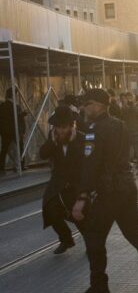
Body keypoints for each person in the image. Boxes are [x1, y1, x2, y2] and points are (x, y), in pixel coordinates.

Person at [72, 88, 138, 293]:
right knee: (136, 234)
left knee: (94, 238)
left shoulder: (95, 130)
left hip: (109, 192)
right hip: (127, 187)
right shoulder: (119, 125)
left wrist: (82, 196)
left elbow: (90, 165)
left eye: (88, 104)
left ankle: (99, 288)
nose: (85, 108)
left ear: (99, 106)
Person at [39, 106, 86, 254]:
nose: (61, 131)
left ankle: (90, 242)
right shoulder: (53, 138)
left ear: (72, 126)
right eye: (58, 127)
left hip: (77, 182)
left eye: (64, 127)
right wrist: (52, 143)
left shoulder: (82, 138)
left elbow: (88, 163)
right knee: (50, 209)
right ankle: (66, 239)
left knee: (79, 215)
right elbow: (42, 154)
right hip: (58, 182)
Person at [0, 87, 27, 175]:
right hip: (14, 131)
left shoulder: (2, 106)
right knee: (20, 148)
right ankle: (20, 166)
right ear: (13, 95)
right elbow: (16, 119)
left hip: (4, 131)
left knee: (4, 150)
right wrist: (23, 115)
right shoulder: (15, 106)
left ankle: (2, 168)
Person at [122, 92, 138, 175]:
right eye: (127, 98)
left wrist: (132, 106)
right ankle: (129, 169)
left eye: (130, 98)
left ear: (133, 98)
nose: (129, 99)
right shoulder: (124, 108)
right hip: (128, 133)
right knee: (128, 153)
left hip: (137, 132)